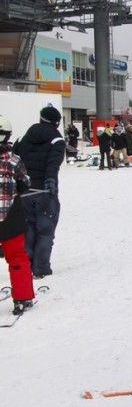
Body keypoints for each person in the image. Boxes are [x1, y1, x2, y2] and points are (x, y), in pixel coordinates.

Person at [12, 106, 65, 279]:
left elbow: (15, 159)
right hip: (44, 191)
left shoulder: (24, 137)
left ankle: (26, 266)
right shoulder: (57, 140)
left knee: (28, 229)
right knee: (45, 230)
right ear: (56, 122)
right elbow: (53, 163)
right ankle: (41, 268)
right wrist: (50, 181)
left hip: (25, 191)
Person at [0, 116, 35, 314]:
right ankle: (22, 298)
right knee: (17, 258)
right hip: (10, 219)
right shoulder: (14, 160)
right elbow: (24, 184)